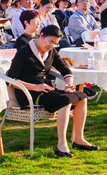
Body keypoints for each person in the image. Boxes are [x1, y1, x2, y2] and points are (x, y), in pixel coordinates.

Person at [8, 25, 96, 157]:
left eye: (55, 44)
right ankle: (61, 144)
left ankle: (79, 139)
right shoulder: (24, 52)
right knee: (65, 100)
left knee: (82, 97)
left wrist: (69, 84)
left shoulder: (51, 52)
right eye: (50, 42)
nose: (51, 46)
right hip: (29, 94)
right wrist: (35, 87)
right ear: (41, 35)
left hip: (46, 90)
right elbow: (11, 80)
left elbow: (65, 70)